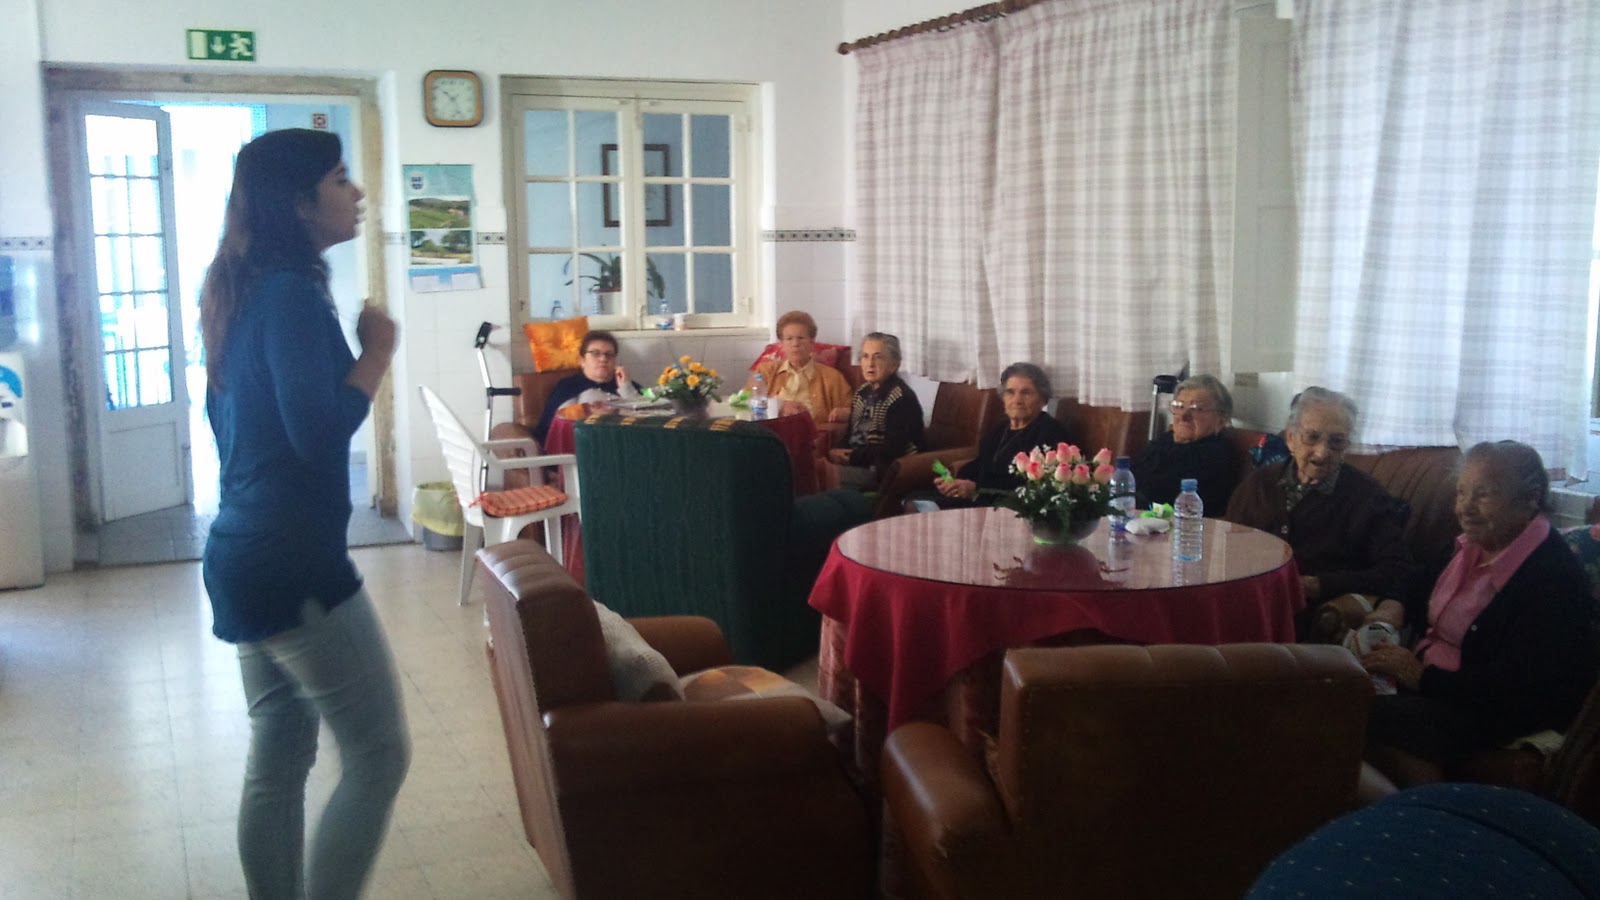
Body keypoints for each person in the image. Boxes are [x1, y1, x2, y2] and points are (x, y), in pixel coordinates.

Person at [199, 129, 409, 899]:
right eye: (340, 179)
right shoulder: (287, 293)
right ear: (298, 202)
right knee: (380, 755)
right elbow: (316, 433)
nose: (357, 193)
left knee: (280, 755)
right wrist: (376, 353)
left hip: (241, 553)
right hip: (291, 563)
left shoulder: (244, 287)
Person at [1362, 441, 1598, 776]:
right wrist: (1392, 608)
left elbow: (1516, 689)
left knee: (1359, 712)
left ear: (1531, 499)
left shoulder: (1551, 577)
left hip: (1491, 710)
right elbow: (1415, 581)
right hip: (1436, 687)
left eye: (1482, 495)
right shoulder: (1469, 545)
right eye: (1461, 493)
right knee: (1335, 687)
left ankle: (1431, 800)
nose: (1464, 508)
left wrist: (1420, 677)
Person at [1226, 386, 1416, 618]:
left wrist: (1320, 584)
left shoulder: (1367, 498)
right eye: (1312, 437)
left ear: (1346, 446)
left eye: (1336, 441)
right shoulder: (1259, 483)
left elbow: (1398, 571)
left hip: (1307, 615)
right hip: (1247, 600)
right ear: (1291, 439)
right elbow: (1229, 543)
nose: (1322, 452)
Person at [910, 362, 1071, 509]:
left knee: (920, 506)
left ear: (1043, 399)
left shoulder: (1051, 433)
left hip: (1007, 506)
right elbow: (981, 463)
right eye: (1010, 392)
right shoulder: (1001, 428)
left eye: (1026, 393)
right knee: (914, 498)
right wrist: (954, 482)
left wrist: (977, 489)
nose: (1017, 400)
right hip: (979, 497)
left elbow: (1032, 486)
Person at [826, 332, 924, 489]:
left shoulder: (901, 397)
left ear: (894, 364)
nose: (870, 363)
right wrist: (837, 450)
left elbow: (891, 450)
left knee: (818, 476)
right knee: (809, 469)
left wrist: (853, 457)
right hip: (858, 463)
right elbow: (851, 433)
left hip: (883, 471)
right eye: (865, 356)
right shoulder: (862, 392)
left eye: (878, 357)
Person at [1131, 374, 1240, 514]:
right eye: (1179, 406)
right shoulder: (1165, 440)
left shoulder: (1214, 454)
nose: (1184, 416)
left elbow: (1162, 495)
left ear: (1221, 420)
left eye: (1196, 409)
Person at [744, 310, 853, 427]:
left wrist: (844, 414)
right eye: (789, 339)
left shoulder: (832, 377)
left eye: (801, 338)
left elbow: (852, 413)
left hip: (809, 433)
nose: (795, 344)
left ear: (812, 342)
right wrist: (780, 405)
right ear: (781, 344)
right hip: (769, 431)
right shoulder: (765, 371)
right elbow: (743, 403)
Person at [531, 329, 641, 443]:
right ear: (582, 360)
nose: (603, 359)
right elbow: (551, 428)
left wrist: (626, 389)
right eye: (595, 353)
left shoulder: (628, 385)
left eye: (609, 355)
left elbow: (647, 421)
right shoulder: (567, 386)